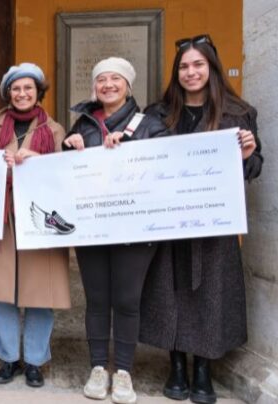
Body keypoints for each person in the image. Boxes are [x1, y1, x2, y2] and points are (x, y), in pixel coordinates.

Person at [139, 34, 262, 404]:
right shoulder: (157, 114)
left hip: (214, 223)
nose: (191, 72)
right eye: (184, 66)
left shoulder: (239, 114)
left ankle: (204, 369)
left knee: (210, 294)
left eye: (198, 65)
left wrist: (247, 154)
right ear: (176, 73)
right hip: (168, 222)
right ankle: (176, 365)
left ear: (211, 68)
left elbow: (254, 170)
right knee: (170, 292)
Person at [62, 57, 169, 404]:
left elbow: (164, 168)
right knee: (97, 299)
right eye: (101, 79)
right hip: (93, 227)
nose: (107, 85)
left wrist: (131, 150)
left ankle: (123, 371)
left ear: (128, 85)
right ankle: (97, 368)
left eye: (115, 79)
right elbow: (66, 176)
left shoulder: (151, 125)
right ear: (94, 86)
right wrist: (70, 147)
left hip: (133, 229)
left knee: (126, 299)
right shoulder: (84, 123)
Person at [0, 63, 70, 387]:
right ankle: (9, 358)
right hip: (4, 221)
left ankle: (36, 361)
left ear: (38, 92)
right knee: (2, 294)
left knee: (40, 294)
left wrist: (38, 163)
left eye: (28, 88)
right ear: (8, 93)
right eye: (16, 88)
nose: (22, 93)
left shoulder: (55, 130)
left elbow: (65, 177)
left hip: (40, 221)